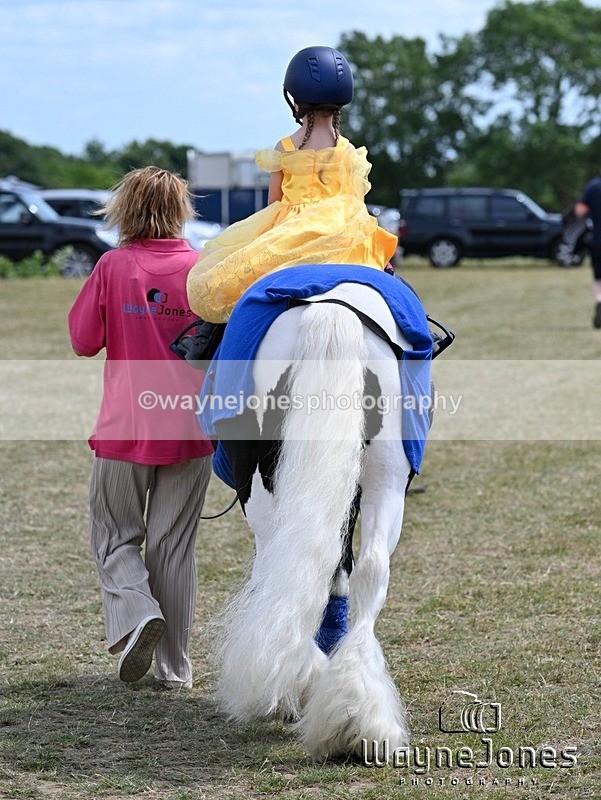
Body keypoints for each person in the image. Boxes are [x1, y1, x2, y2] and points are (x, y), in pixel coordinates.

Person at [68, 166, 214, 690]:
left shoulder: (112, 266)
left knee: (114, 540)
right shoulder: (203, 269)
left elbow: (83, 341)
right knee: (173, 549)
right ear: (181, 210)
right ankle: (174, 670)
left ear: (123, 210)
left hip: (125, 429)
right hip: (192, 429)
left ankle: (136, 614)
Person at [187, 45, 398, 324]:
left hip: (291, 232)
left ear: (296, 101)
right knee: (392, 286)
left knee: (232, 284)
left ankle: (205, 338)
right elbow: (355, 203)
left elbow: (274, 202)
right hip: (343, 233)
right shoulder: (349, 151)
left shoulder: (285, 147)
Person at [575, 169, 601, 328]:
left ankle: (600, 301)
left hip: (598, 240)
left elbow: (580, 211)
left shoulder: (593, 186)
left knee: (599, 278)